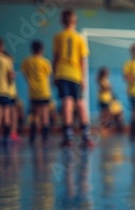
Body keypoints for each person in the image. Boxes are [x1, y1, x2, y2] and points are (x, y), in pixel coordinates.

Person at [53, 8, 92, 148]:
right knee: (80, 102)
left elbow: (56, 58)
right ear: (75, 21)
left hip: (62, 73)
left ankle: (68, 137)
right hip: (76, 74)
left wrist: (54, 74)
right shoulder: (80, 38)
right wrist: (84, 78)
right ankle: (86, 136)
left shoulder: (58, 37)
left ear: (62, 21)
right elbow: (83, 60)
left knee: (66, 102)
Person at [21, 40, 52, 145]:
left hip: (33, 92)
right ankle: (45, 139)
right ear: (42, 49)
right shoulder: (45, 62)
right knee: (44, 116)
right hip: (44, 91)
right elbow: (48, 75)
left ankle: (32, 138)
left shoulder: (27, 61)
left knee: (34, 115)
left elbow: (25, 75)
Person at [0, 38, 15, 144]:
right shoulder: (6, 60)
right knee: (6, 115)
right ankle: (6, 137)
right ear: (1, 47)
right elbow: (11, 76)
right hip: (4, 90)